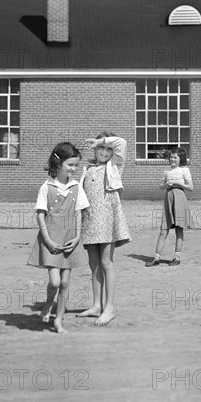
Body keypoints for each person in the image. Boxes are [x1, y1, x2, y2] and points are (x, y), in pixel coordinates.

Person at [28, 142, 89, 333]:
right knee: (54, 282)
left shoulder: (76, 186)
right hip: (51, 238)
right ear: (58, 164)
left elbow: (79, 212)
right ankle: (48, 304)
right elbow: (40, 214)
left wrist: (78, 236)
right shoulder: (46, 187)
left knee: (65, 283)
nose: (74, 169)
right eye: (70, 165)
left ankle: (58, 321)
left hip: (70, 239)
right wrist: (46, 239)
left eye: (76, 165)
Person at [77, 132, 131, 326]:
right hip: (90, 220)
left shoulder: (115, 166)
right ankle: (97, 305)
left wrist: (100, 140)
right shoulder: (88, 168)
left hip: (107, 220)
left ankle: (110, 308)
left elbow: (121, 142)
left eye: (108, 148)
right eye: (101, 147)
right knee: (94, 263)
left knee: (106, 262)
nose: (105, 151)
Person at [146, 147, 193, 267]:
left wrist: (178, 183)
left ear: (180, 158)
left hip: (179, 198)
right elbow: (161, 186)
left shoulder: (184, 170)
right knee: (163, 229)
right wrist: (166, 184)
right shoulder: (166, 171)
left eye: (175, 157)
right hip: (168, 199)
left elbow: (191, 187)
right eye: (171, 157)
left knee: (179, 229)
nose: (172, 159)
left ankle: (176, 257)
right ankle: (156, 257)